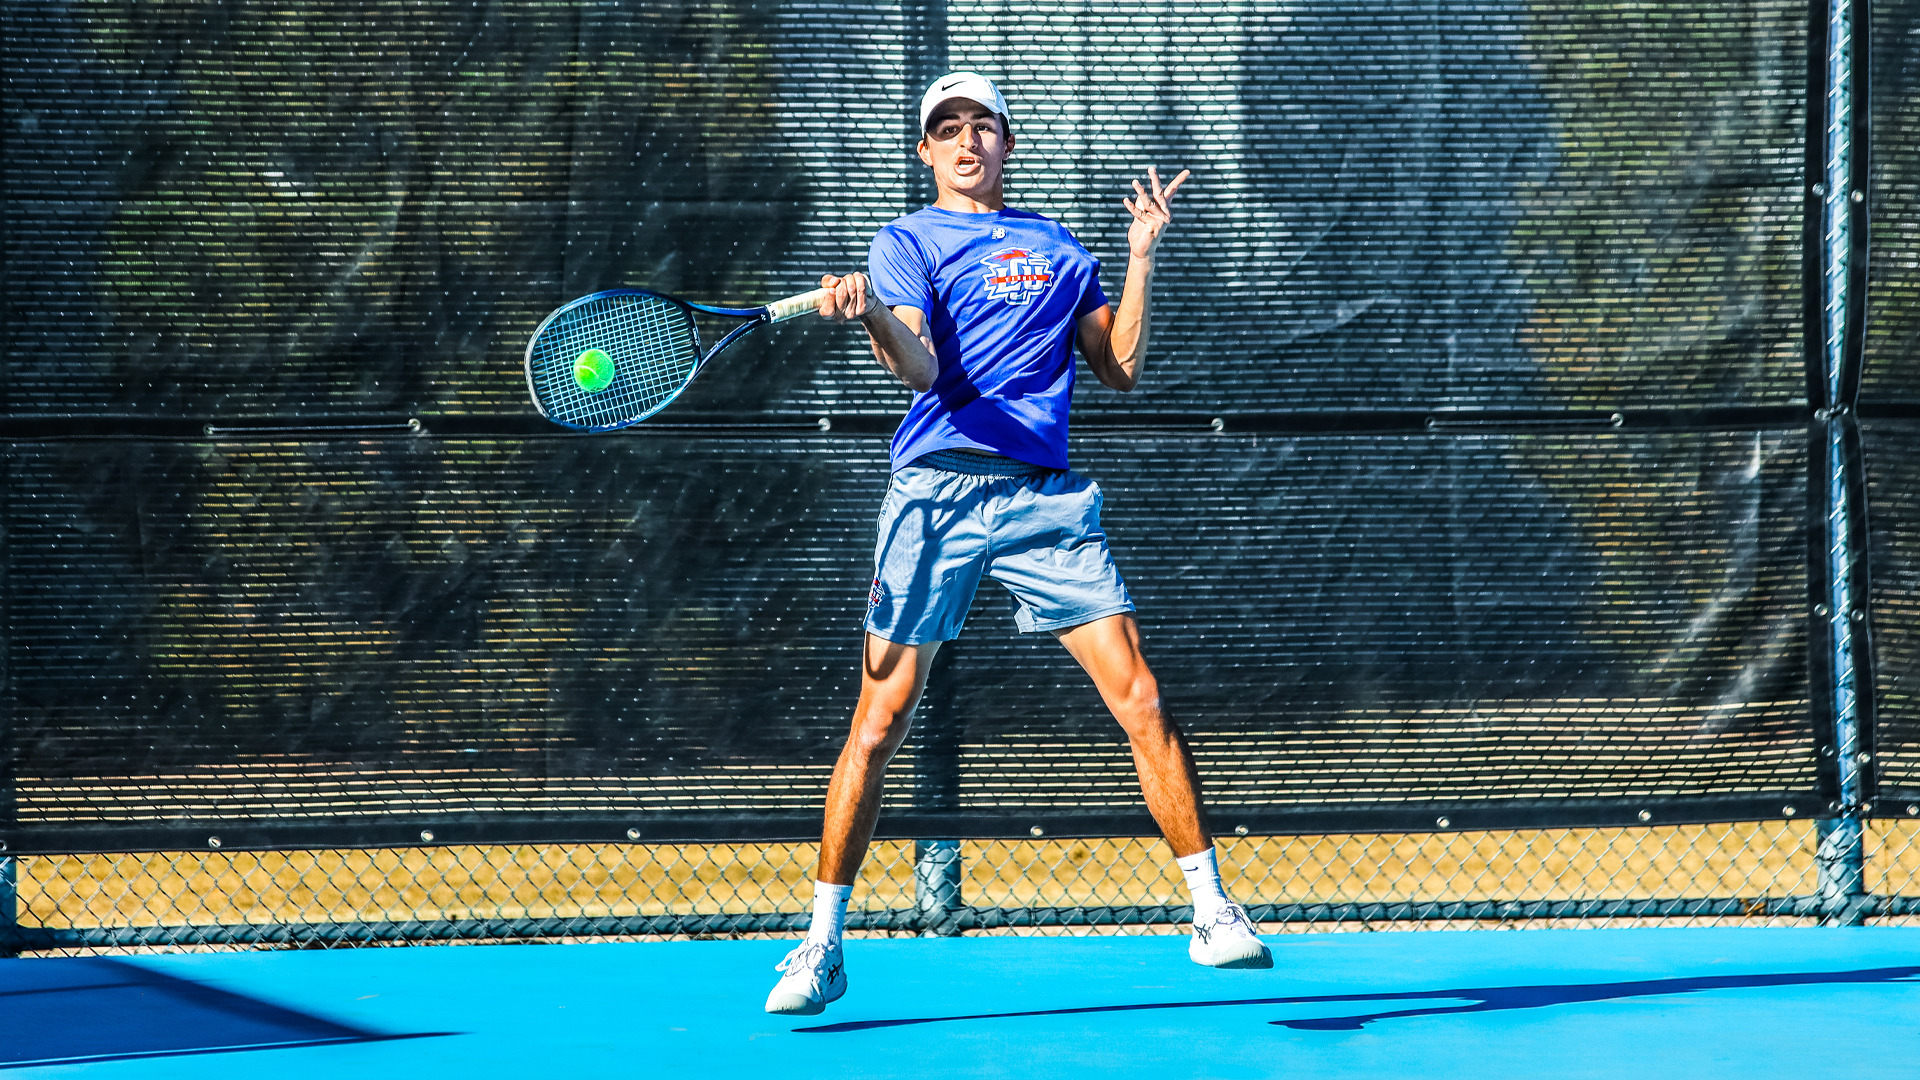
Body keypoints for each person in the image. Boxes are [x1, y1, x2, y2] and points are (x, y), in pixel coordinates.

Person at [764, 72, 1268, 1017]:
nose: (966, 142)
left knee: (1141, 694)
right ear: (926, 152)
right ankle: (821, 946)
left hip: (1045, 501)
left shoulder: (1059, 246)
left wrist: (1141, 253)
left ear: (1006, 143)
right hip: (936, 495)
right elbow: (919, 368)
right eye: (946, 129)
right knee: (880, 720)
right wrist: (871, 310)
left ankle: (1211, 911)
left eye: (982, 127)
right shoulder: (907, 243)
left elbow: (1118, 368)